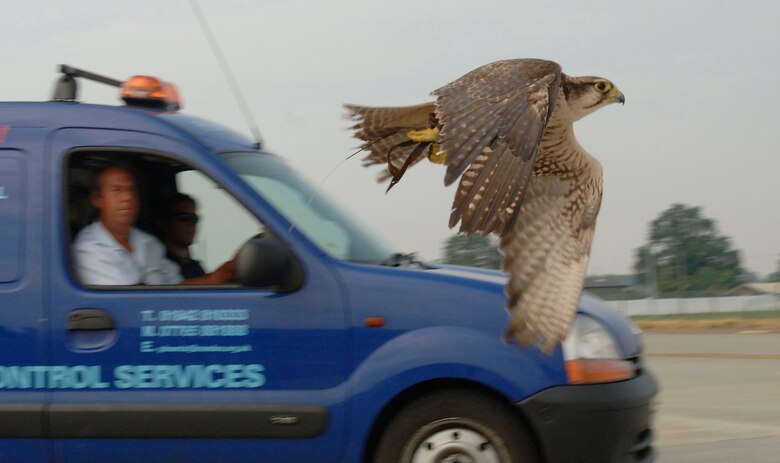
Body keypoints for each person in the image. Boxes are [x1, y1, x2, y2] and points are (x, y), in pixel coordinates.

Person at [72, 163, 234, 286]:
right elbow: (133, 303)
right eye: (117, 190)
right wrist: (215, 278)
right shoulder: (88, 249)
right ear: (97, 199)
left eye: (131, 190)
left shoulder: (148, 243)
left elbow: (176, 288)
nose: (127, 197)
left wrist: (219, 277)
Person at [160, 193, 206, 279]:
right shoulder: (160, 268)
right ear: (164, 224)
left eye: (194, 218)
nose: (191, 223)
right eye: (184, 217)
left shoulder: (195, 267)